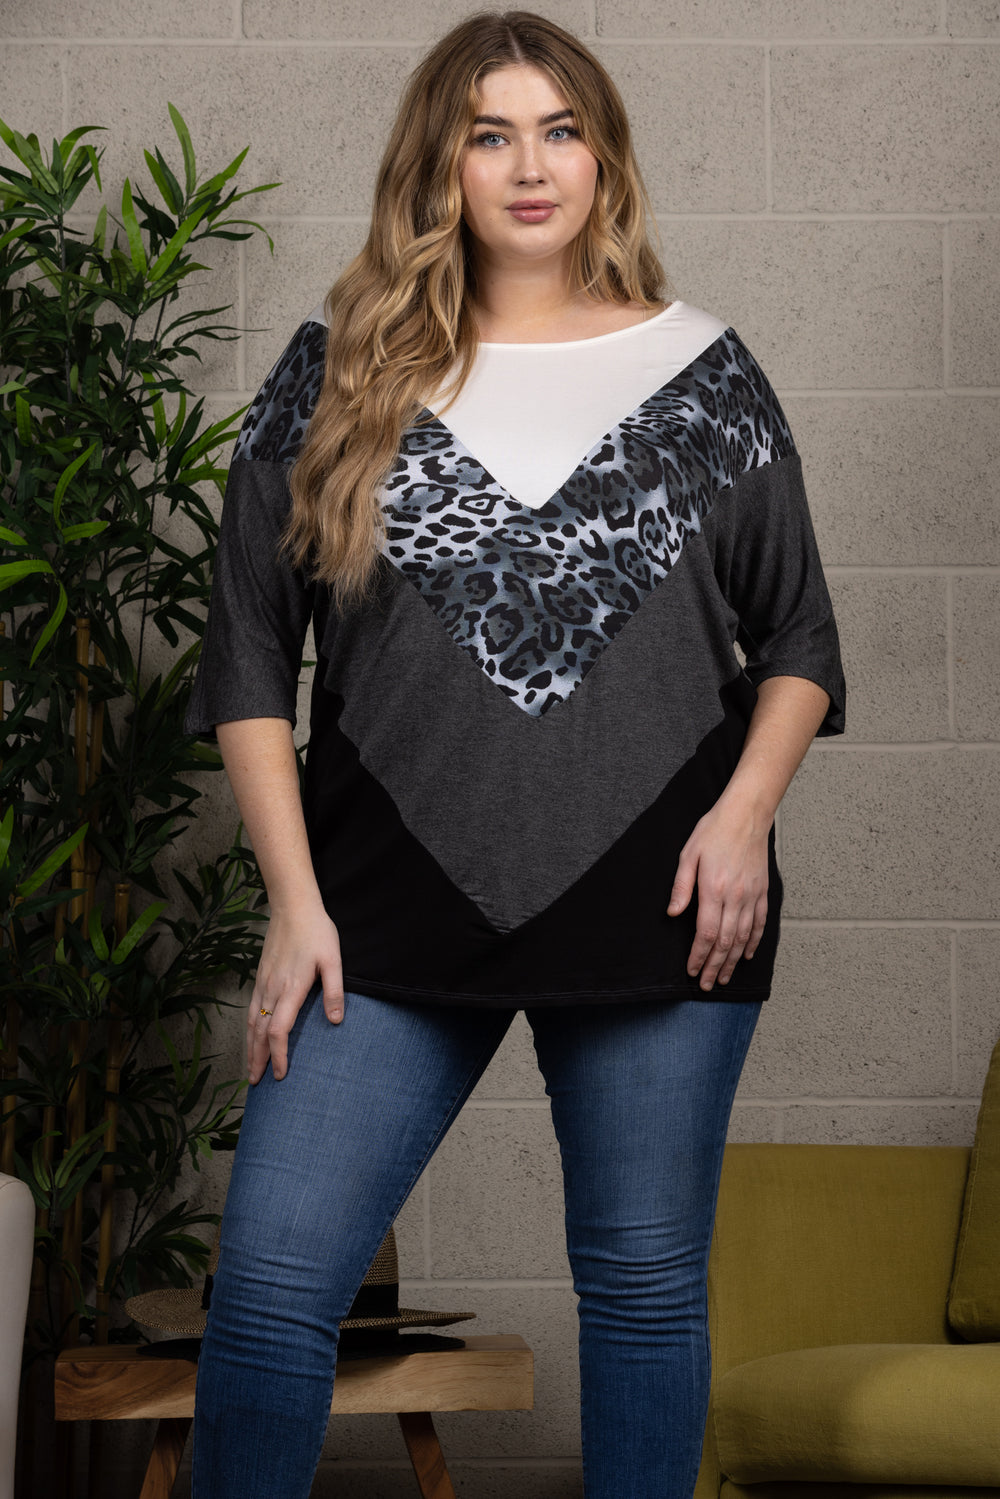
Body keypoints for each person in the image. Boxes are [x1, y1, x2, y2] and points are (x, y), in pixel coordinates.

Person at [186, 10, 845, 1497]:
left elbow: (799, 641)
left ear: (604, 159)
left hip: (666, 903)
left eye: (561, 132)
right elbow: (248, 658)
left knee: (643, 1300)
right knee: (273, 1293)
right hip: (374, 913)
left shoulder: (704, 375)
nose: (530, 166)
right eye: (490, 135)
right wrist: (293, 903)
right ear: (441, 165)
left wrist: (744, 817)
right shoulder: (333, 374)